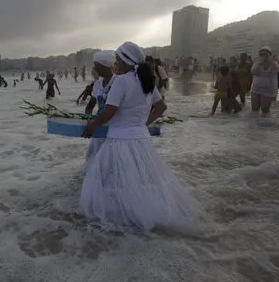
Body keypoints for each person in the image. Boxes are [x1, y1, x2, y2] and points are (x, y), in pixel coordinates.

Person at [81, 41, 199, 231]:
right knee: (139, 180)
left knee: (112, 179)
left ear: (127, 61)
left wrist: (92, 126)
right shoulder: (146, 81)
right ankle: (143, 215)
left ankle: (121, 218)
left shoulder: (121, 81)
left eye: (118, 60)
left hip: (119, 141)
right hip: (141, 140)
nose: (116, 64)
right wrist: (143, 124)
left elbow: (110, 111)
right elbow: (161, 107)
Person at [84, 50, 117, 165]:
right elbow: (90, 106)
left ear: (105, 66)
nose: (94, 68)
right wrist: (89, 120)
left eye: (97, 65)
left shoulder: (118, 82)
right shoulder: (97, 84)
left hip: (114, 128)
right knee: (95, 161)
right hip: (99, 126)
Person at [250, 46, 279, 115]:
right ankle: (254, 125)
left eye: (265, 54)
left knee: (265, 110)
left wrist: (270, 61)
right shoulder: (257, 63)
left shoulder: (274, 63)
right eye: (261, 54)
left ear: (270, 55)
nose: (263, 56)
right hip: (255, 88)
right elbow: (253, 72)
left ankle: (266, 124)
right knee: (254, 110)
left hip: (267, 89)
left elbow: (277, 70)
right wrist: (261, 63)